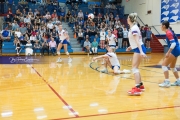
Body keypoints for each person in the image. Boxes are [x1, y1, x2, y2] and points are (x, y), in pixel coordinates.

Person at [126, 13, 147, 96]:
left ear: (130, 19)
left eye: (127, 18)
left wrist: (141, 51)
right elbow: (135, 41)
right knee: (136, 68)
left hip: (139, 48)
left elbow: (138, 41)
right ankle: (141, 86)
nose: (127, 19)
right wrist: (131, 47)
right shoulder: (134, 27)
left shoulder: (134, 28)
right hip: (138, 48)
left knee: (134, 68)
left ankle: (137, 88)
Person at [159, 21, 180, 87]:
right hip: (177, 49)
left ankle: (167, 82)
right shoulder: (170, 31)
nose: (160, 27)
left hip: (175, 49)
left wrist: (168, 52)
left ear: (164, 26)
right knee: (172, 67)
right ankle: (178, 81)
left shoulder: (168, 33)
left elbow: (173, 43)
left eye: (161, 25)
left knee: (164, 65)